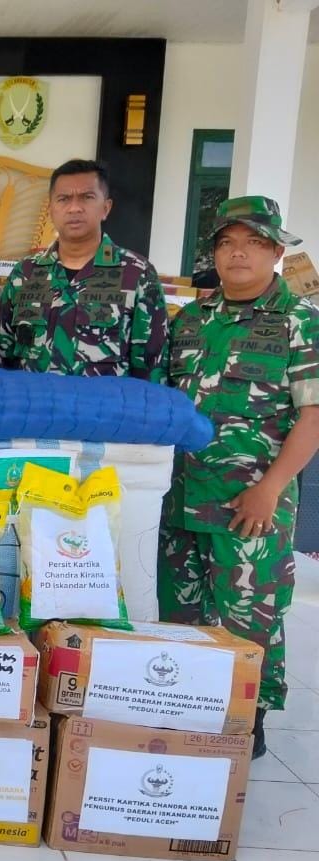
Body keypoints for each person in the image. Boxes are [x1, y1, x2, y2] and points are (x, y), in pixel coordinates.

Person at [160, 196, 319, 760]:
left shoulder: (300, 322)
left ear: (277, 251)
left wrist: (272, 487)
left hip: (250, 500)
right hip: (180, 497)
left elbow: (313, 414)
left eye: (253, 242)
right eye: (227, 242)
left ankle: (245, 722)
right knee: (180, 612)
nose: (238, 253)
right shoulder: (191, 319)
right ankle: (181, 710)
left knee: (247, 613)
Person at [0, 158, 169, 381]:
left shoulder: (137, 274)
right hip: (35, 414)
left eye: (87, 197)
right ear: (51, 209)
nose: (74, 207)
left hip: (103, 414)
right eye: (63, 199)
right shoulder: (25, 274)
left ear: (105, 208)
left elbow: (152, 369)